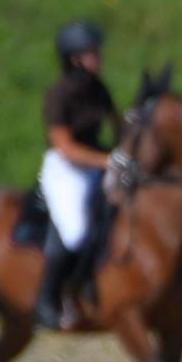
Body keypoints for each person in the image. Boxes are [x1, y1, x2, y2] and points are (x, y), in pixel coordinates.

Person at [34, 19, 120, 329]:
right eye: (92, 52)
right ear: (75, 58)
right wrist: (107, 160)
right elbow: (65, 146)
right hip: (66, 169)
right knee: (75, 232)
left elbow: (117, 125)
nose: (99, 57)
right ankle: (46, 301)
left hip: (97, 164)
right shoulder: (59, 93)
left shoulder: (99, 88)